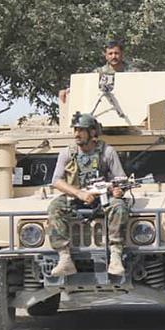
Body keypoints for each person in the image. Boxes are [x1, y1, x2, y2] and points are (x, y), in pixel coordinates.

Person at [47, 113, 130, 277]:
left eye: (81, 130)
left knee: (119, 206)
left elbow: (121, 180)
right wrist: (79, 193)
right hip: (76, 197)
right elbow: (56, 181)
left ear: (92, 132)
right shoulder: (67, 153)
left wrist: (118, 190)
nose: (76, 134)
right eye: (75, 130)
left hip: (102, 198)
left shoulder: (107, 152)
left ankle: (115, 255)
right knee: (54, 207)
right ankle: (64, 258)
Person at [59, 40, 138, 104]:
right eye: (110, 54)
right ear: (106, 56)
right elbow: (85, 86)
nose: (113, 56)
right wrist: (68, 90)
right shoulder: (98, 73)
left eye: (116, 53)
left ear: (122, 54)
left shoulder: (132, 72)